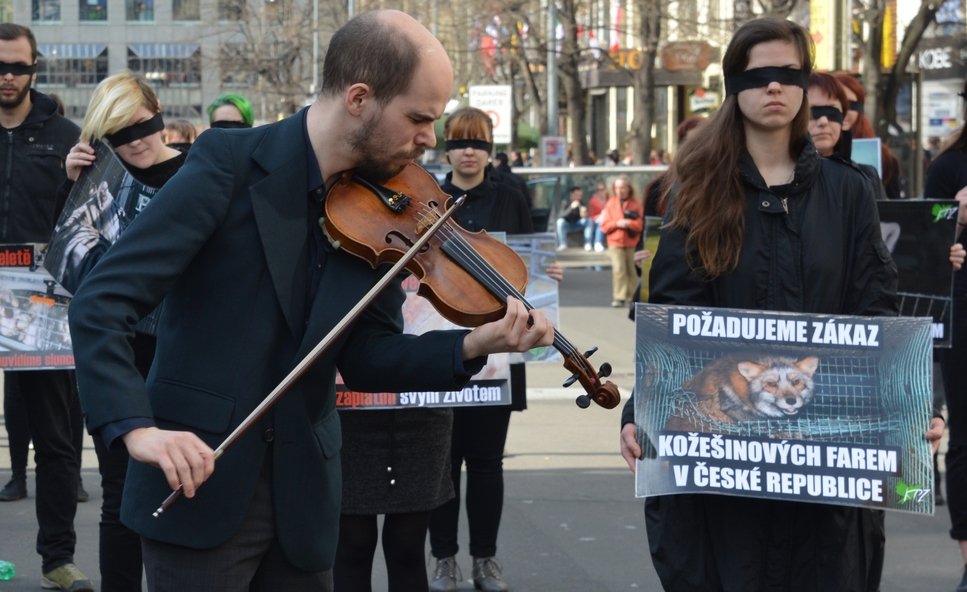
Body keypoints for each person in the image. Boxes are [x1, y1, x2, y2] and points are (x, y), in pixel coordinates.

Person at [66, 11, 553, 592]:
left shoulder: (381, 208)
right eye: (418, 118)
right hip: (200, 484)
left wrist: (476, 342)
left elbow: (369, 354)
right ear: (359, 99)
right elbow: (101, 301)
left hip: (304, 499)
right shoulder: (227, 164)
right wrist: (136, 427)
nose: (430, 139)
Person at [618, 18, 944, 591]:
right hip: (722, 473)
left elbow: (878, 307)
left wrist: (921, 400)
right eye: (759, 74)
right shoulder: (695, 188)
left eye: (788, 74)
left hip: (824, 471)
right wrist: (637, 413)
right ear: (733, 85)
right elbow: (671, 319)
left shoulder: (849, 191)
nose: (774, 87)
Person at [58, 70, 190, 592]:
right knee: (120, 496)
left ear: (158, 111)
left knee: (185, 488)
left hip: (184, 354)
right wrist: (72, 188)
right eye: (117, 133)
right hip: (117, 355)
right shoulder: (96, 182)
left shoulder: (199, 171)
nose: (134, 140)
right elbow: (67, 266)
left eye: (141, 125)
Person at [428, 106, 551, 592]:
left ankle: (485, 558)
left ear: (490, 148)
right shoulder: (430, 197)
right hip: (443, 343)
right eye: (459, 142)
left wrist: (547, 270)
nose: (469, 152)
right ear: (447, 148)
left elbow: (529, 261)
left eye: (478, 143)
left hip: (500, 352)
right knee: (442, 461)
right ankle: (443, 558)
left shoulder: (510, 196)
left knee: (485, 462)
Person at [0, 22, 93, 592]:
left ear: (36, 69)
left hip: (42, 311)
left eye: (17, 66)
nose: (7, 76)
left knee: (57, 442)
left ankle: (58, 559)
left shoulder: (66, 136)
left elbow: (86, 224)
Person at [923, 75, 967, 592]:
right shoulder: (948, 166)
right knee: (966, 441)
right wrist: (955, 220)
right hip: (965, 315)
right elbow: (925, 249)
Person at [834, 72, 902, 199]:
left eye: (849, 104)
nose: (843, 111)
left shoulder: (885, 158)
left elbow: (893, 208)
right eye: (835, 104)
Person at [598, 174, 643, 308]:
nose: (620, 190)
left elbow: (641, 224)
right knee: (618, 269)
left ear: (629, 188)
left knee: (632, 270)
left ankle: (632, 297)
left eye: (623, 187)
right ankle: (619, 297)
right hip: (615, 242)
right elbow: (604, 226)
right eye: (617, 187)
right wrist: (617, 223)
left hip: (632, 242)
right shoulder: (610, 204)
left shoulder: (636, 204)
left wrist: (629, 223)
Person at [554, 185, 587, 251]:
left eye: (580, 195)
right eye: (577, 195)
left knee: (589, 221)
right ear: (571, 194)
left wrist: (584, 214)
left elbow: (583, 217)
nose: (579, 197)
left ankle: (588, 243)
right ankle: (563, 244)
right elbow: (560, 216)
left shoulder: (581, 202)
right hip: (567, 225)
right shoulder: (565, 202)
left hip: (577, 224)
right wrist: (571, 208)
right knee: (560, 222)